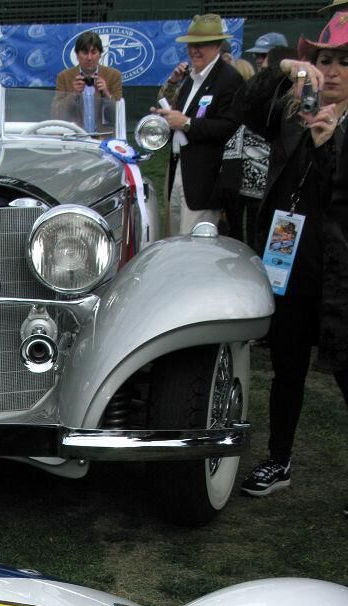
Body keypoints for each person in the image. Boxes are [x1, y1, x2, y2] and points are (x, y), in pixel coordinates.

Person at [237, 11, 348, 512]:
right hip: (290, 263)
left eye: (346, 61)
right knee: (286, 370)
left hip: (338, 277)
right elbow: (242, 108)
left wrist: (328, 149)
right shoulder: (293, 109)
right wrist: (284, 70)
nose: (336, 71)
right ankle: (279, 458)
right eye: (327, 60)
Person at [153, 13, 242, 236]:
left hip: (204, 179)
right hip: (177, 171)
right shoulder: (190, 78)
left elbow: (229, 127)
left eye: (202, 45)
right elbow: (182, 118)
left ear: (218, 45)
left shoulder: (229, 79)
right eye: (192, 44)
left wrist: (187, 123)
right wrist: (167, 118)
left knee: (194, 244)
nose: (195, 50)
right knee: (173, 236)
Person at [52, 30, 122, 130]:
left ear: (100, 54)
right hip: (75, 138)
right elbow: (56, 114)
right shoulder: (64, 77)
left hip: (103, 138)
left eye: (93, 52)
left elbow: (119, 117)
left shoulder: (114, 76)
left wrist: (106, 93)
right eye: (85, 52)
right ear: (77, 55)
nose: (89, 58)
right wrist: (74, 95)